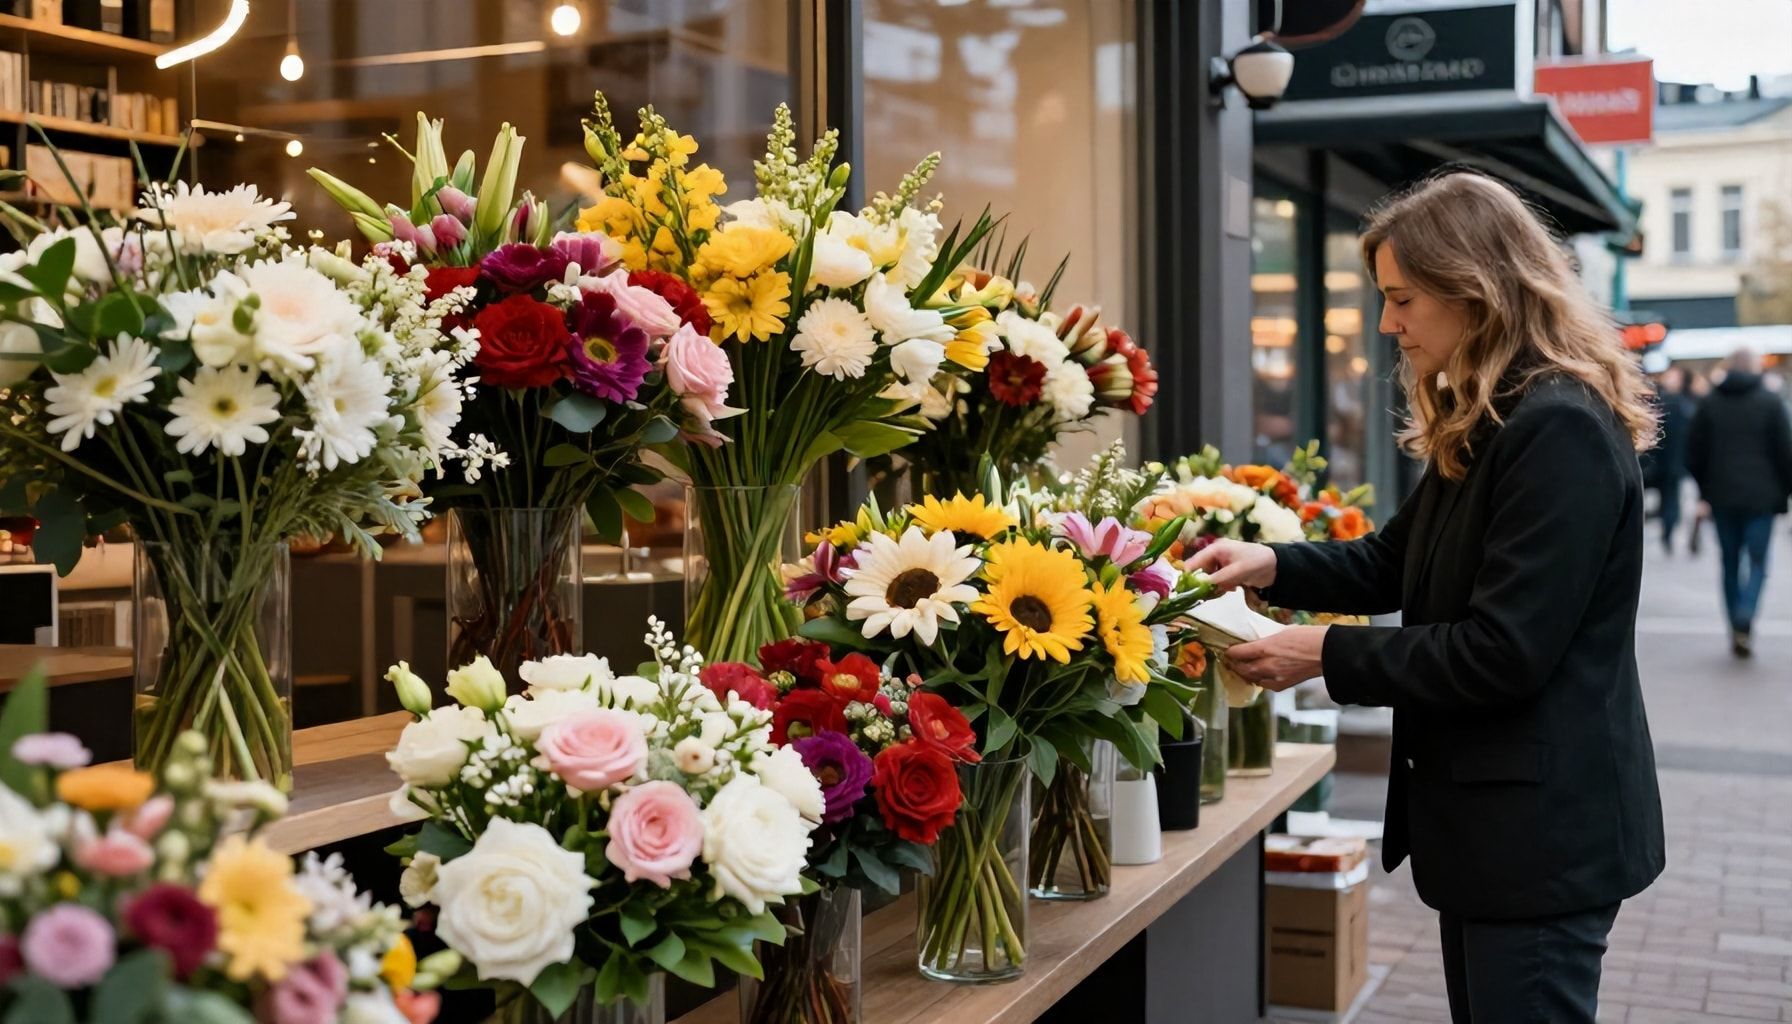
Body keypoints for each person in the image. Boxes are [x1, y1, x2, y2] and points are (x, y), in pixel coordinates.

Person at [1191, 172, 1664, 1024]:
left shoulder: (1554, 427)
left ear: (1475, 288)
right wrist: (1267, 564)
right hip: (1497, 833)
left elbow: (1503, 652)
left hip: (1541, 839)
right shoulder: (1495, 415)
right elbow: (1393, 562)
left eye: (1402, 298)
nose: (1387, 324)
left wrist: (1321, 655)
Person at [1684, 347, 1792, 657]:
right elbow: (1785, 452)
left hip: (1722, 496)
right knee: (1758, 562)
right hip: (1762, 497)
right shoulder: (1770, 403)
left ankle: (1735, 622)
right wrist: (1784, 490)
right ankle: (1746, 614)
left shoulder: (1710, 403)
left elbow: (1693, 452)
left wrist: (1706, 487)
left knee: (1729, 562)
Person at [1643, 365, 1694, 554]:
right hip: (1669, 462)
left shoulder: (1671, 404)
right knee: (1670, 500)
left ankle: (1667, 533)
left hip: (1666, 461)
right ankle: (1667, 533)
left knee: (1669, 500)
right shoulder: (1682, 404)